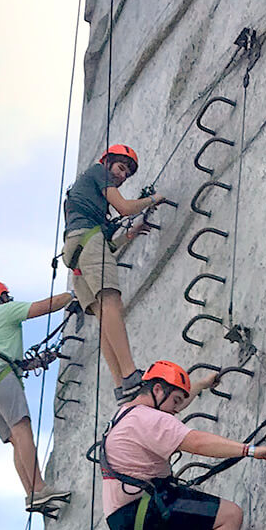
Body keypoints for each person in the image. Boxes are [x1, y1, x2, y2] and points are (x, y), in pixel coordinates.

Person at [99, 360, 266, 530]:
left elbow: (171, 408)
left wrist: (203, 384)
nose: (177, 410)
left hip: (125, 522)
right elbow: (195, 442)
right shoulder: (148, 419)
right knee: (229, 516)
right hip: (145, 511)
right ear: (157, 390)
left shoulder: (126, 414)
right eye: (175, 401)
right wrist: (248, 450)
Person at [61, 144, 169, 401]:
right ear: (107, 161)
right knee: (112, 303)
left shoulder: (87, 199)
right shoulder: (98, 172)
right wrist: (154, 199)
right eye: (121, 167)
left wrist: (129, 235)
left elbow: (105, 243)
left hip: (76, 252)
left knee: (103, 319)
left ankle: (121, 385)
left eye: (127, 174)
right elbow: (125, 208)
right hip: (88, 242)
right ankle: (130, 373)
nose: (122, 175)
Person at [0, 279, 76, 512]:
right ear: (3, 295)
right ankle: (39, 489)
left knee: (16, 441)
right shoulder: (6, 310)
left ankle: (30, 493)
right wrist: (71, 295)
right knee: (23, 430)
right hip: (0, 376)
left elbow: (1, 354)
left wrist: (32, 364)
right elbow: (43, 307)